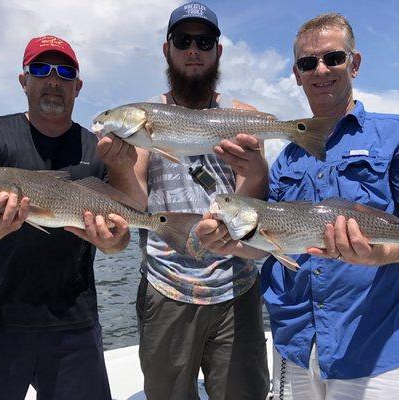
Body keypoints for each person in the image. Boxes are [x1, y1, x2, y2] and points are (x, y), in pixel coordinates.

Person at [198, 12, 399, 400]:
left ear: (355, 63)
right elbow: (272, 242)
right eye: (307, 63)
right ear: (297, 74)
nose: (321, 70)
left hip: (375, 350)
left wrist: (379, 255)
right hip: (294, 345)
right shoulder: (287, 159)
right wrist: (231, 244)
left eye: (334, 57)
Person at [98, 2, 270, 399]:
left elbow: (254, 203)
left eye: (204, 41)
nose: (194, 50)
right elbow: (134, 204)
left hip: (237, 289)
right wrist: (121, 167)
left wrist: (257, 172)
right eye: (183, 40)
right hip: (167, 288)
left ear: (218, 52)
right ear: (167, 49)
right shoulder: (140, 119)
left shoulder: (242, 115)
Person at [0, 35, 130, 400]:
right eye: (41, 69)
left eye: (64, 72)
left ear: (77, 86)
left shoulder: (99, 149)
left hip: (73, 321)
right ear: (23, 80)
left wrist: (114, 241)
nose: (53, 79)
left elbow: (119, 237)